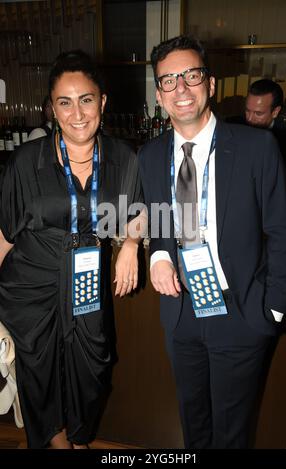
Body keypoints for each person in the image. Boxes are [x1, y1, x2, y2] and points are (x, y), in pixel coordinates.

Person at [138, 35, 286, 449]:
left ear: (210, 84)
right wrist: (158, 253)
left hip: (240, 312)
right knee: (193, 425)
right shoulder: (150, 156)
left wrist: (273, 310)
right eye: (169, 80)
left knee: (232, 433)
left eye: (191, 75)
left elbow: (283, 233)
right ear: (159, 93)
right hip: (181, 313)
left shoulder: (257, 147)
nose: (181, 89)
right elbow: (159, 218)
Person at [0, 50, 143, 449]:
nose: (76, 113)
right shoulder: (26, 162)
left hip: (85, 283)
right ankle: (59, 443)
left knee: (91, 371)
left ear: (103, 102)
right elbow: (4, 235)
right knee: (41, 376)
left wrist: (130, 244)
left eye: (86, 99)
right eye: (65, 102)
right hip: (32, 288)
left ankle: (79, 439)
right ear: (52, 108)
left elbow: (137, 210)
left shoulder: (123, 157)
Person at [244, 79, 286, 206]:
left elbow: (284, 187)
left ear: (275, 112)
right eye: (247, 111)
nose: (250, 118)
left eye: (258, 113)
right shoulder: (234, 128)